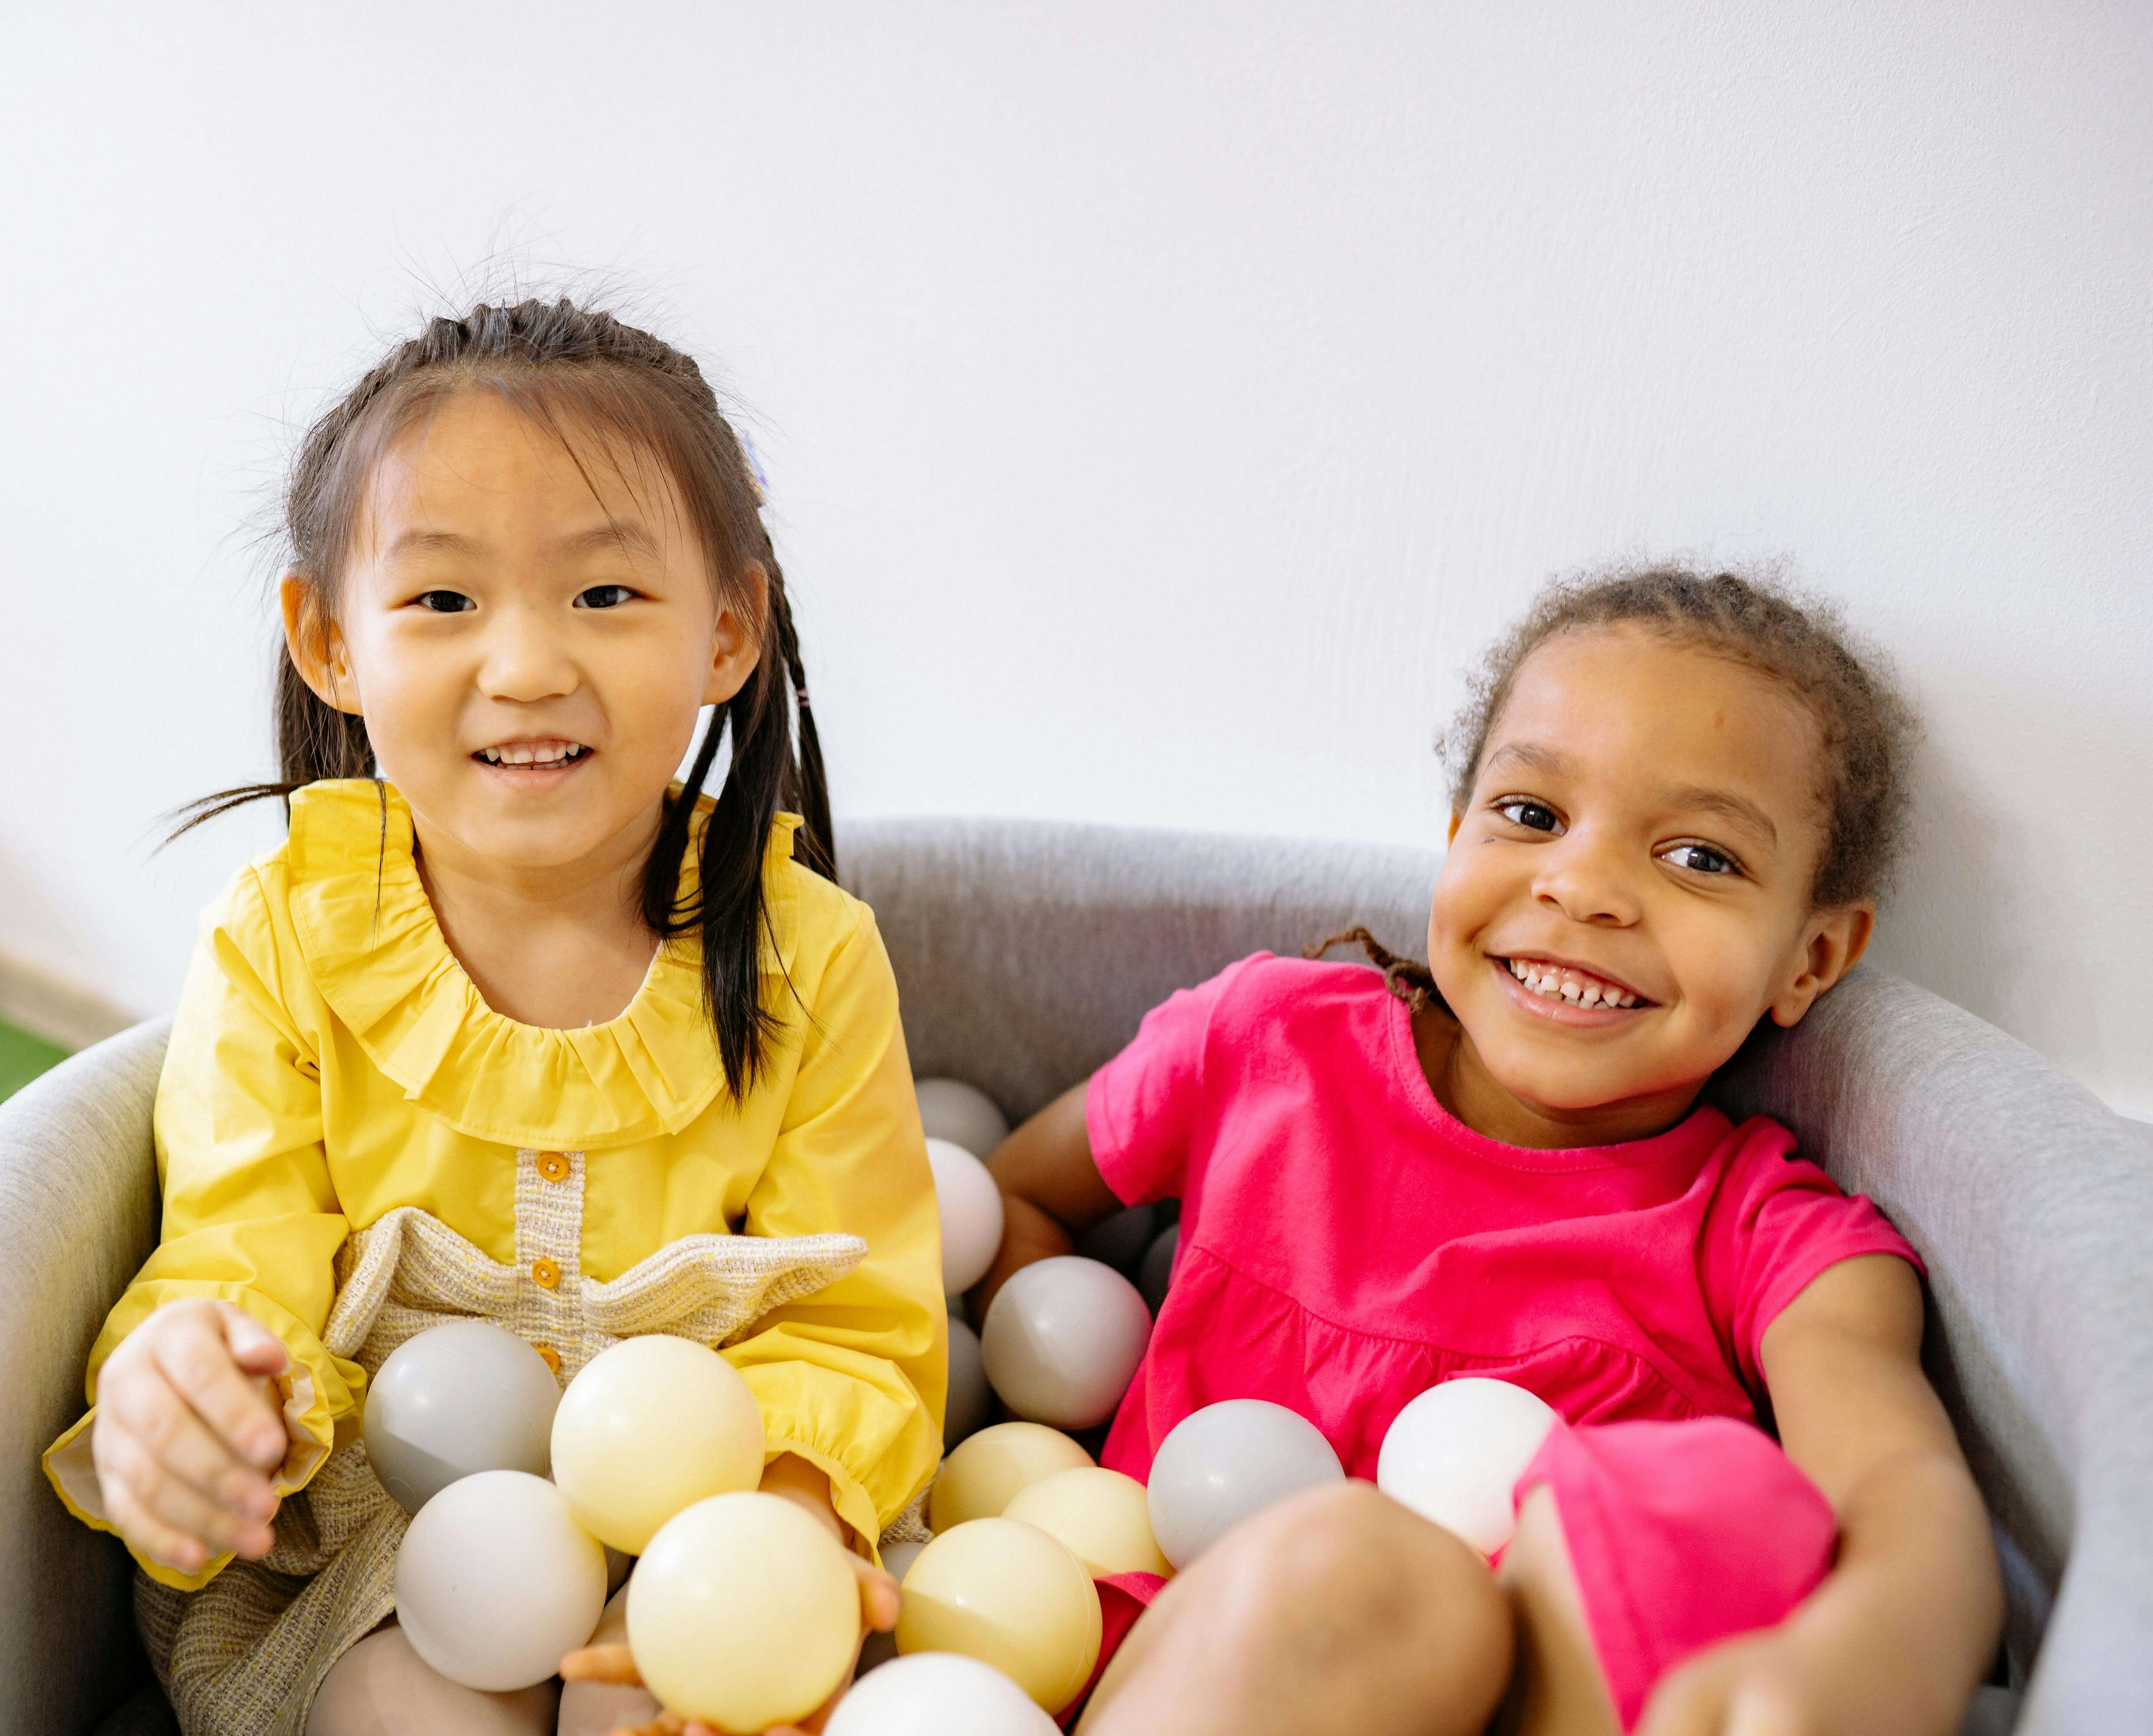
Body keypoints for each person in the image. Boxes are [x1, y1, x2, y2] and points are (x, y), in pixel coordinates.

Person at [42, 299, 943, 1736]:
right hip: (386, 1546)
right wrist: (198, 1398)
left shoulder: (807, 959)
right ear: (329, 643)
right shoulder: (287, 934)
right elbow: (240, 1247)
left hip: (708, 1525)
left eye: (602, 597)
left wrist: (771, 1545)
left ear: (727, 630)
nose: (524, 665)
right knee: (416, 1699)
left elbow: (854, 1327)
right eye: (445, 602)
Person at [976, 569, 2003, 1735]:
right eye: (1531, 815)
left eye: (1699, 858)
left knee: (1712, 1499)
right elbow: (1005, 1199)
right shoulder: (1265, 1047)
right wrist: (1038, 1463)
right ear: (1454, 833)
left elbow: (1901, 1497)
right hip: (1165, 1663)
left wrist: (1863, 1661)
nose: (1582, 887)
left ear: (1812, 958)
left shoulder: (1771, 1242)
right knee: (1369, 1569)